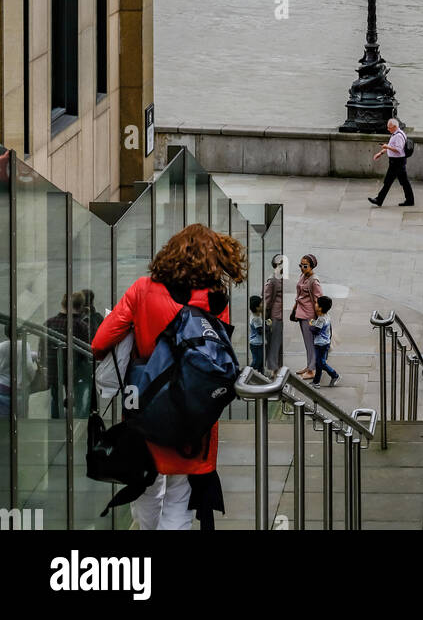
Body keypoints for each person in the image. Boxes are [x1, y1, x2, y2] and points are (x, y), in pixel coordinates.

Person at [91, 223, 246, 531]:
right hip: (193, 414)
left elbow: (99, 343)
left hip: (146, 407)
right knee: (180, 495)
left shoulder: (142, 289)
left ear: (170, 253)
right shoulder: (216, 300)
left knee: (145, 484)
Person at [44, 292, 91, 419]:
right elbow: (86, 352)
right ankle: (76, 425)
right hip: (75, 372)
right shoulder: (81, 325)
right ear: (81, 306)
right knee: (78, 400)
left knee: (56, 399)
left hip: (55, 370)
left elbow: (42, 349)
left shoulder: (49, 323)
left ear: (62, 304)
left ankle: (55, 425)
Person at [368, 117, 414, 208]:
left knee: (388, 182)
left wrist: (387, 147)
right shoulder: (395, 134)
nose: (388, 129)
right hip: (397, 162)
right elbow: (391, 145)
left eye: (389, 127)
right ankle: (410, 200)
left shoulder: (398, 136)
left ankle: (379, 200)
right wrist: (380, 153)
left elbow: (398, 149)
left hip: (397, 162)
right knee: (404, 182)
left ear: (395, 126)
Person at [291, 254, 323, 380]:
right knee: (307, 342)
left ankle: (312, 370)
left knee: (311, 343)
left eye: (305, 266)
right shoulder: (303, 275)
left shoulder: (314, 281)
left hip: (309, 315)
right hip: (301, 312)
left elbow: (319, 299)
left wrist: (318, 318)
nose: (302, 268)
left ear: (311, 266)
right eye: (300, 265)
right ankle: (309, 366)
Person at [310, 295, 340, 386]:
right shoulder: (327, 316)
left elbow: (316, 331)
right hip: (325, 342)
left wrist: (311, 325)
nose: (315, 304)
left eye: (316, 304)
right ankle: (316, 382)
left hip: (320, 344)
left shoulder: (321, 319)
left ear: (320, 308)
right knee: (319, 363)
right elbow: (329, 328)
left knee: (321, 363)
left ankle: (334, 375)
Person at [263, 254, 284, 372]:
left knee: (279, 343)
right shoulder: (272, 280)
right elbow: (267, 300)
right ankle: (273, 368)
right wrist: (266, 317)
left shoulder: (281, 278)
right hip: (275, 316)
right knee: (274, 344)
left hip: (281, 315)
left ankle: (279, 367)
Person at [248, 295, 264, 372]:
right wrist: (268, 326)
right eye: (261, 303)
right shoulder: (256, 319)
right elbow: (260, 331)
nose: (263, 304)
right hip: (257, 344)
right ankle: (249, 373)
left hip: (256, 343)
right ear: (257, 307)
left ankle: (261, 375)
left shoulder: (255, 315)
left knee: (260, 361)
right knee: (257, 361)